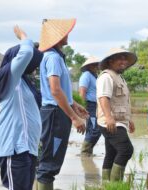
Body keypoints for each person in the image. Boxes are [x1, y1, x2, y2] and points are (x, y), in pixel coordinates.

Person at [36, 19, 88, 190]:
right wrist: (74, 118)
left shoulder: (57, 57)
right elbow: (55, 91)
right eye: (64, 32)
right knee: (49, 164)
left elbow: (61, 90)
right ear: (57, 37)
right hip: (55, 114)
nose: (68, 35)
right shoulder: (52, 58)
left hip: (57, 112)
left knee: (50, 160)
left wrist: (74, 105)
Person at [0, 26, 43, 190]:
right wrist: (23, 36)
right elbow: (26, 54)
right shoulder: (9, 79)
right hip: (13, 148)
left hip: (27, 149)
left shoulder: (24, 83)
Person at [97, 48, 137, 181]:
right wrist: (109, 117)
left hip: (119, 121)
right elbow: (103, 98)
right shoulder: (106, 77)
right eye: (120, 58)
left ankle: (107, 184)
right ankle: (115, 185)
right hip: (110, 121)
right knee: (126, 150)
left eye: (125, 59)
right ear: (110, 61)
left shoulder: (119, 77)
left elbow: (122, 101)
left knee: (112, 152)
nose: (123, 61)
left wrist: (128, 120)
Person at [79, 56, 101, 156]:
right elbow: (82, 92)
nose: (96, 66)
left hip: (97, 105)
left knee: (97, 128)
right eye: (94, 65)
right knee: (94, 129)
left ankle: (88, 151)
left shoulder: (96, 76)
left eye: (97, 64)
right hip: (90, 105)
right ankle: (85, 151)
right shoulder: (86, 75)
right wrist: (82, 108)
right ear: (89, 66)